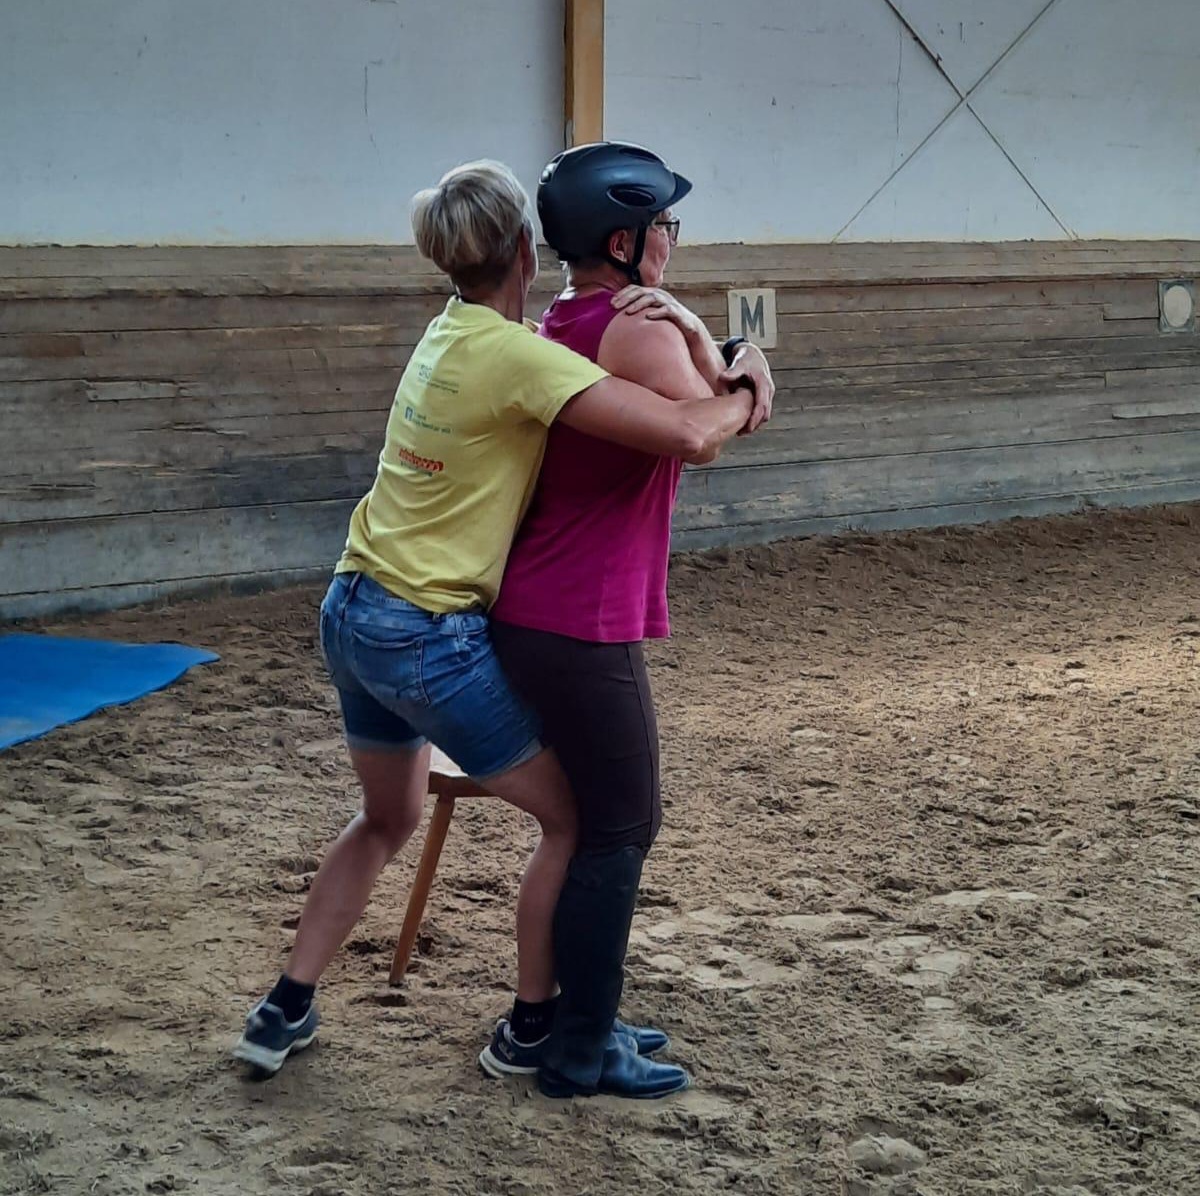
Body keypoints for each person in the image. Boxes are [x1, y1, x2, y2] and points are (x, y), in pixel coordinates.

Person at [232, 159, 761, 1077]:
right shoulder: (524, 356)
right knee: (577, 822)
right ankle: (533, 1027)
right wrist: (749, 382)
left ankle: (283, 1007)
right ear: (524, 250)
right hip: (422, 632)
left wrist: (685, 324)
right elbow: (688, 433)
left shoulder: (449, 332)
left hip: (351, 605)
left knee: (385, 817)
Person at [484, 142, 776, 1099]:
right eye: (664, 227)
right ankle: (580, 1050)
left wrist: (710, 344)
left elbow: (708, 396)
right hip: (580, 615)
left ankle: (573, 1020)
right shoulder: (632, 326)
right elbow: (713, 428)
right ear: (624, 241)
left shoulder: (565, 316)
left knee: (599, 823)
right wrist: (739, 365)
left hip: (545, 606)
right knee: (623, 826)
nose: (672, 240)